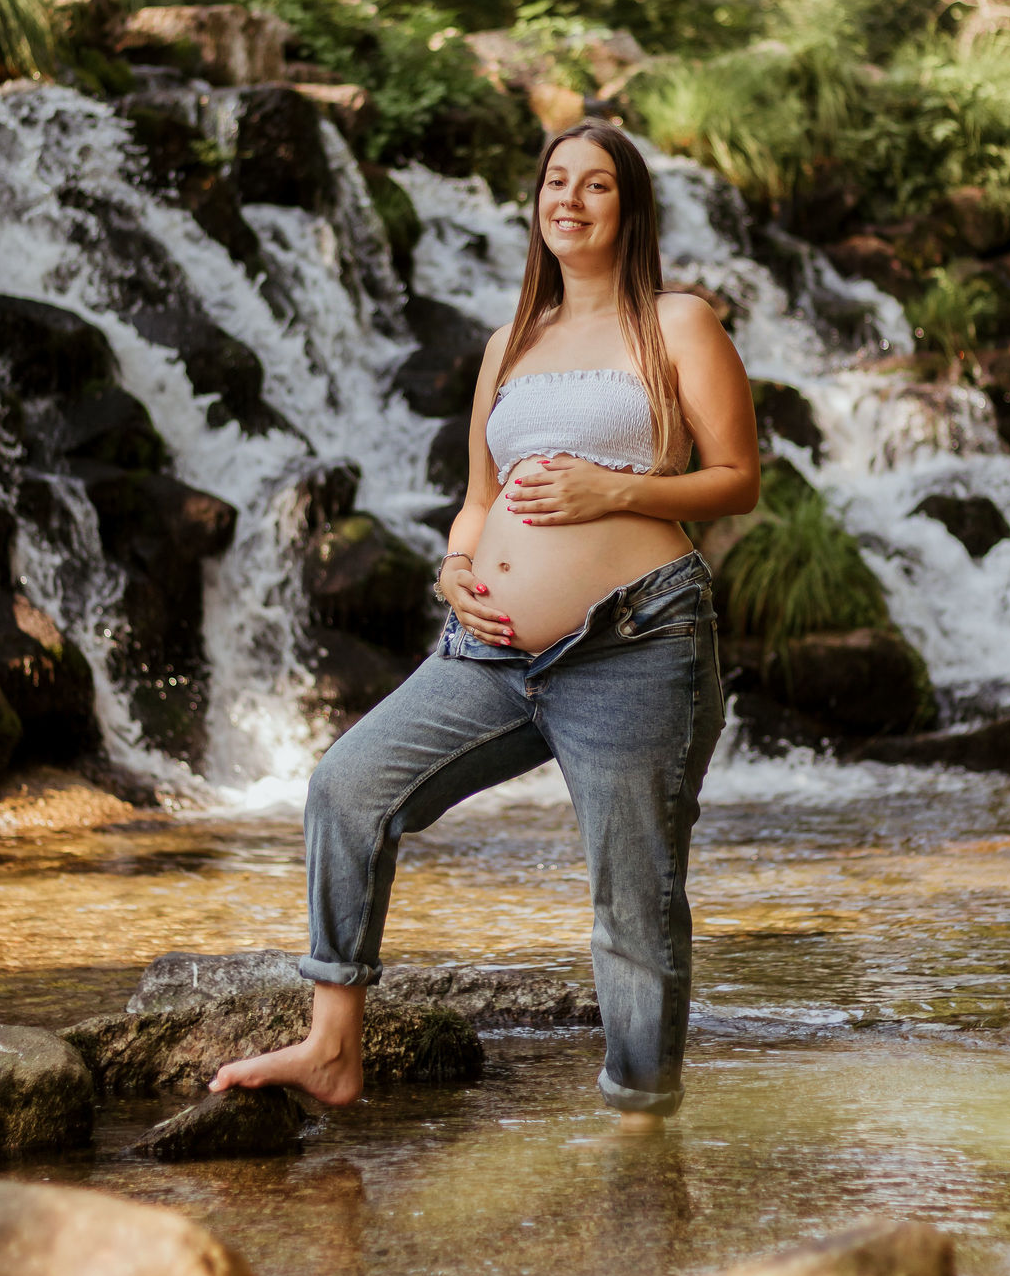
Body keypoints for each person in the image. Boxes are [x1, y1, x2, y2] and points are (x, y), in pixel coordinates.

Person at [211, 121, 761, 1128]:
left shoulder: (676, 323)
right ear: (536, 202)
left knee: (633, 903)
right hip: (490, 650)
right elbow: (479, 495)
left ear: (628, 209)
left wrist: (615, 490)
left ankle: (643, 1120)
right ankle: (334, 1043)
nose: (573, 199)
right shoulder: (510, 344)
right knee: (347, 788)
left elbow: (736, 479)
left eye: (598, 185)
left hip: (635, 645)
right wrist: (457, 568)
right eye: (557, 180)